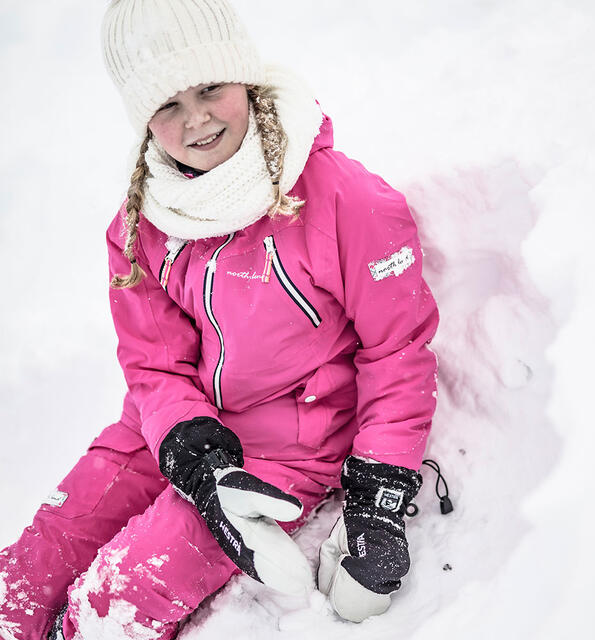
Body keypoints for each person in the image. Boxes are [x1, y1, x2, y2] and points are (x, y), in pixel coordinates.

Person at [0, 1, 439, 638]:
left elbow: (398, 351)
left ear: (246, 79)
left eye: (210, 89)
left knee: (114, 604)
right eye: (167, 106)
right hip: (169, 433)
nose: (197, 119)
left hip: (288, 446)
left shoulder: (345, 200)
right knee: (29, 571)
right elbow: (155, 364)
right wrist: (193, 452)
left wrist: (379, 492)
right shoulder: (140, 226)